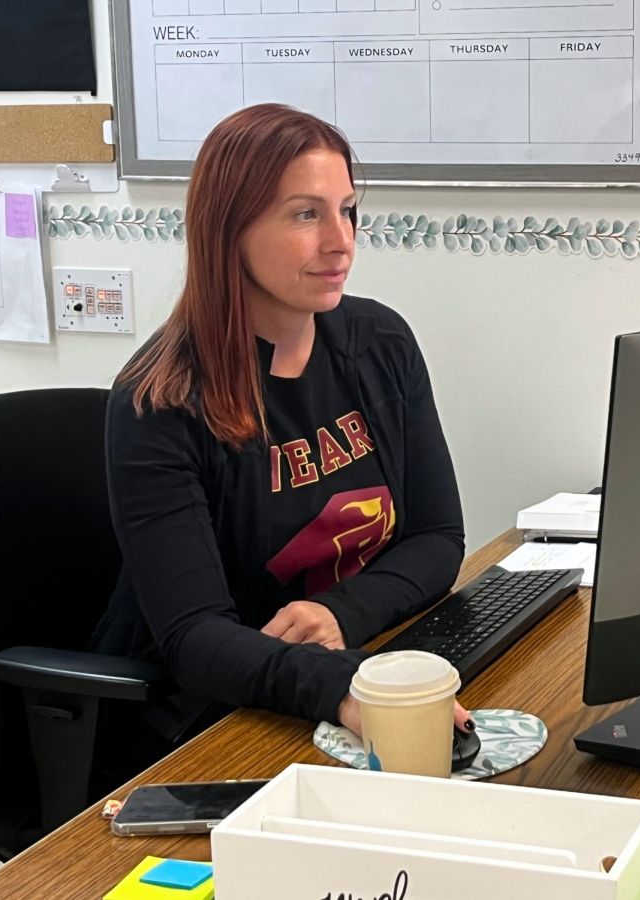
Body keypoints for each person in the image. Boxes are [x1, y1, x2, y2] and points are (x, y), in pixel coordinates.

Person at [90, 104, 469, 782]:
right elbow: (195, 637)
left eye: (347, 210)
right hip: (206, 722)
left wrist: (339, 617)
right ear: (228, 229)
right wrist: (343, 688)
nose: (341, 241)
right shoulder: (161, 401)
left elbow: (439, 538)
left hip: (343, 672)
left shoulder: (380, 344)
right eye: (305, 215)